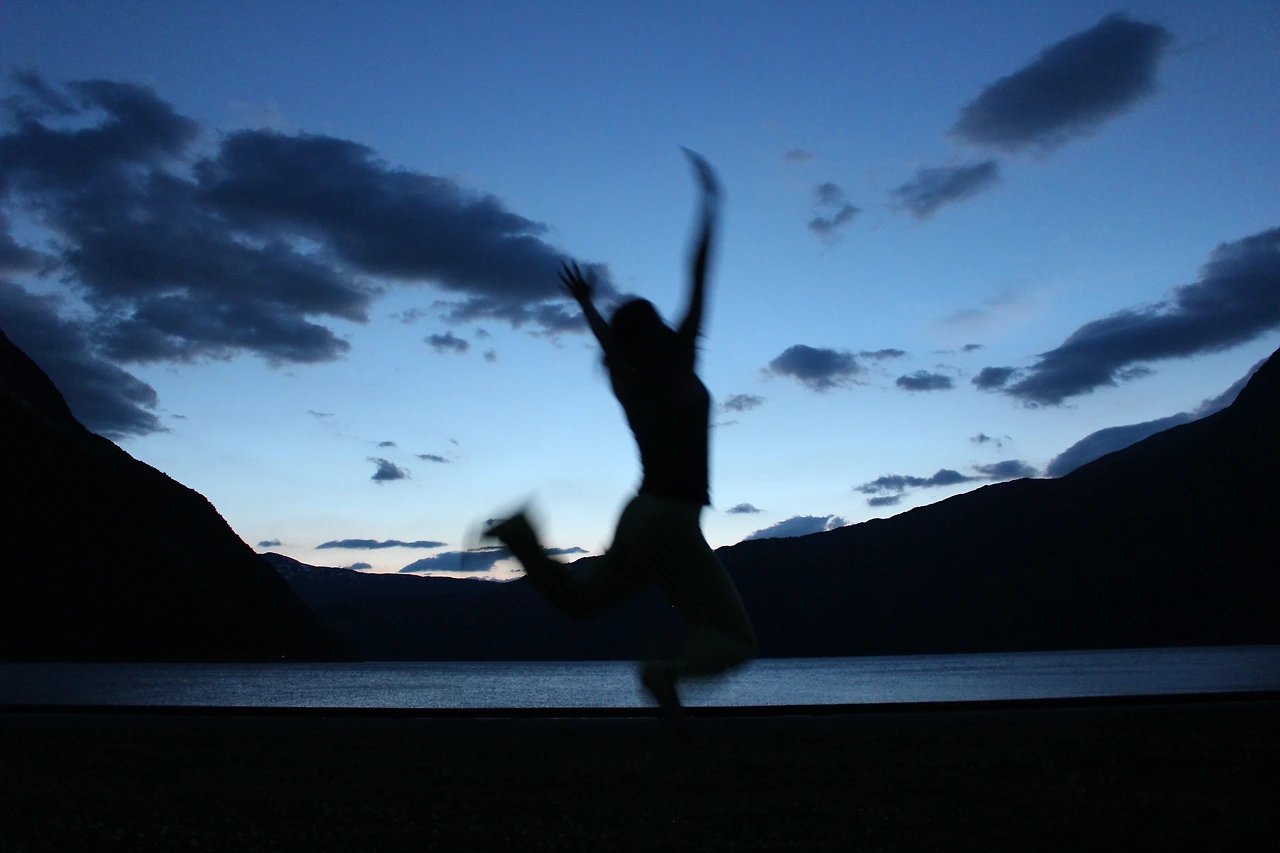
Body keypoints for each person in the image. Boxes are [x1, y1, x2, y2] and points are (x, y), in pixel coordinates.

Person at [486, 149, 757, 723]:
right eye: (659, 320)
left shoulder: (627, 380)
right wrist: (711, 206)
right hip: (671, 520)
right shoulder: (677, 366)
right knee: (735, 637)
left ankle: (520, 537)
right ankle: (665, 674)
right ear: (656, 332)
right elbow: (699, 274)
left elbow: (611, 343)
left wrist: (587, 304)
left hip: (640, 515)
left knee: (583, 602)